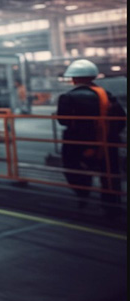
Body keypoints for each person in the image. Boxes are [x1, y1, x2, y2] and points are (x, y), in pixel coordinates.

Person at [56, 59, 125, 216]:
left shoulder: (67, 97)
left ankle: (83, 194)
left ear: (72, 78)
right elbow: (121, 119)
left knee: (74, 169)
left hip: (77, 143)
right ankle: (111, 205)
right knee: (109, 173)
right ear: (93, 77)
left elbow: (63, 120)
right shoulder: (106, 95)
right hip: (107, 142)